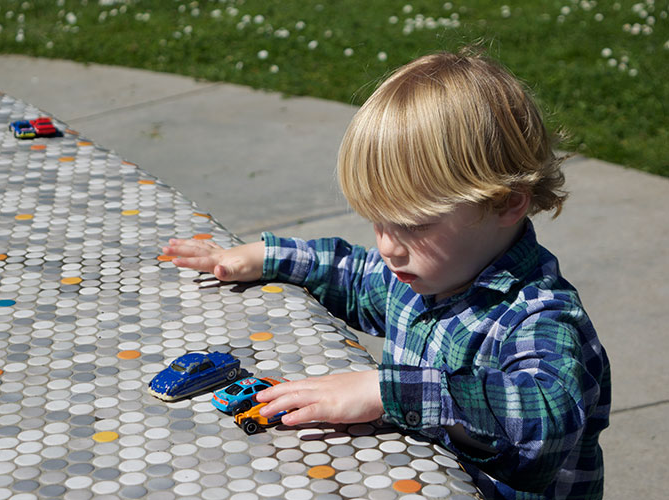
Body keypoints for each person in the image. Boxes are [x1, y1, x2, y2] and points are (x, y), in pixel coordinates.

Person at [163, 51, 611, 499]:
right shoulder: (425, 274)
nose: (388, 247)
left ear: (507, 202)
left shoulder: (540, 317)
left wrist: (387, 391)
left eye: (414, 225)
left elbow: (548, 415)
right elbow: (354, 274)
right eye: (378, 221)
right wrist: (268, 256)